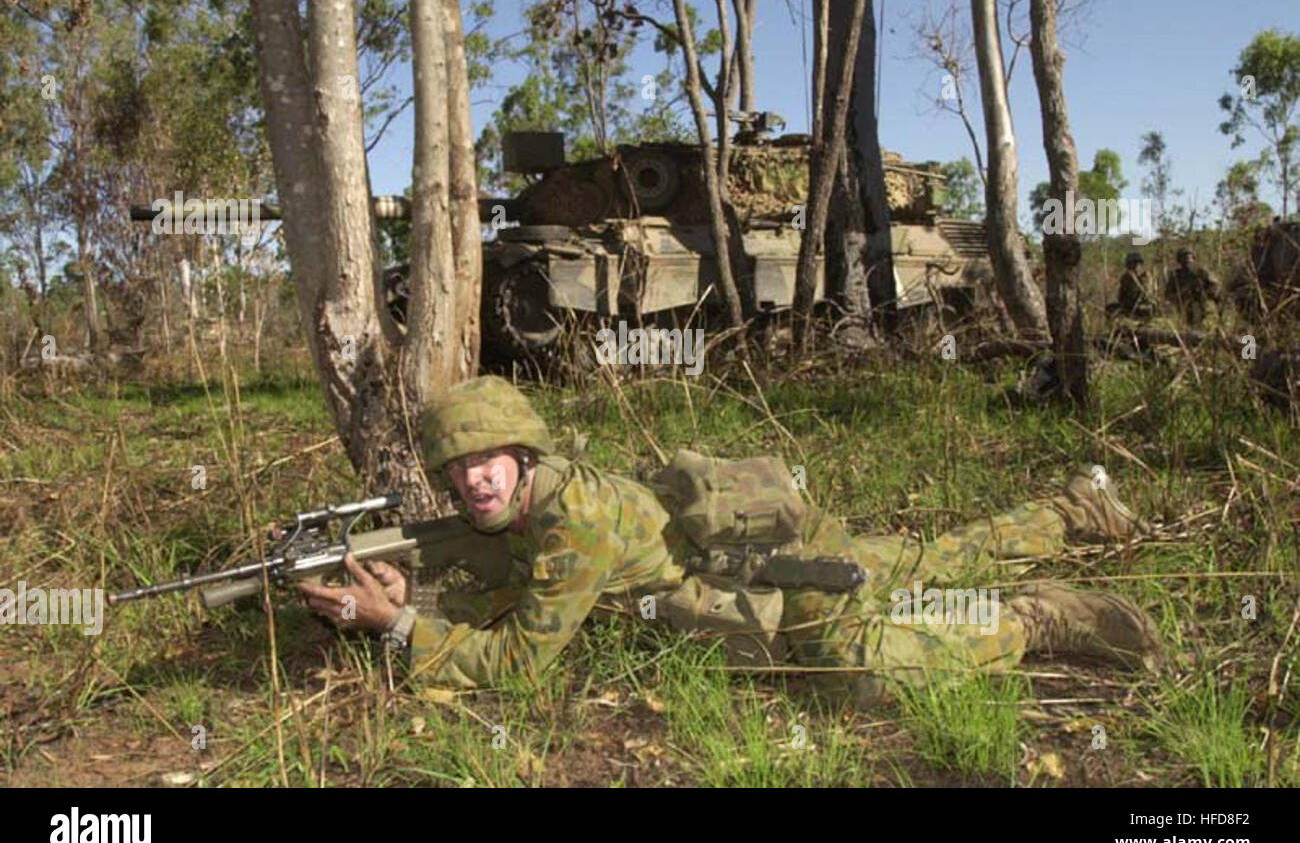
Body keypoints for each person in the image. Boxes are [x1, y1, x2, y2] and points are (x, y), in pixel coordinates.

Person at [299, 377, 1160, 707]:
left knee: (855, 679)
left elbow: (523, 667)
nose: (472, 481)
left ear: (523, 454)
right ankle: (1076, 511)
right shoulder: (536, 504)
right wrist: (425, 594)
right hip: (777, 551)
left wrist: (399, 628)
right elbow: (511, 585)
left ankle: (1040, 621)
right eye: (457, 470)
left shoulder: (574, 522)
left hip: (787, 589)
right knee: (931, 560)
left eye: (486, 461)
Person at [1163, 248, 1221, 327]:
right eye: (1184, 258)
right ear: (1180, 260)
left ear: (1193, 258)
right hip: (1183, 307)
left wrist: (1207, 296)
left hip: (1201, 304)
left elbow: (1215, 286)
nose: (1187, 261)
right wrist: (1176, 299)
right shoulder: (1175, 276)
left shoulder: (1201, 271)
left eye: (1189, 257)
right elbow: (1168, 294)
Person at [1109, 251, 1155, 321]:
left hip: (1138, 308)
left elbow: (1122, 297)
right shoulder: (1134, 277)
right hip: (1134, 307)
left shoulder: (1133, 277)